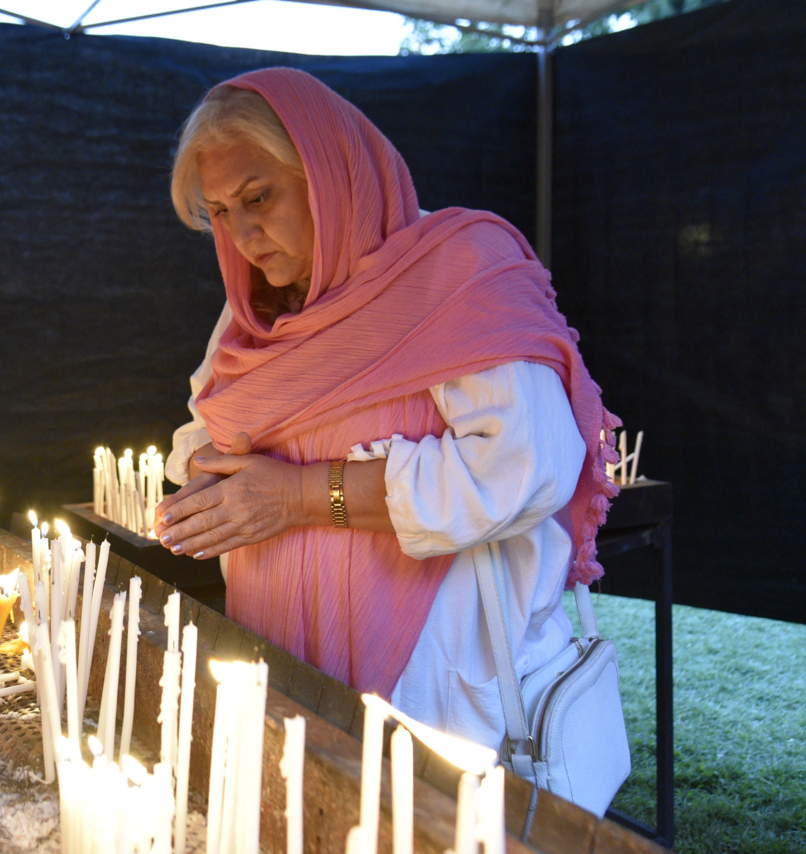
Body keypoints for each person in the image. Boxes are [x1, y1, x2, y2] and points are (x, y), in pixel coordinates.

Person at [153, 68, 620, 749]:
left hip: (438, 695)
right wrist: (212, 480)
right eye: (221, 212)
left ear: (329, 173)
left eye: (259, 196)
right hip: (285, 657)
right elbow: (202, 430)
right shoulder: (251, 313)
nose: (244, 232)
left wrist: (301, 494)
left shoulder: (456, 271)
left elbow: (526, 466)